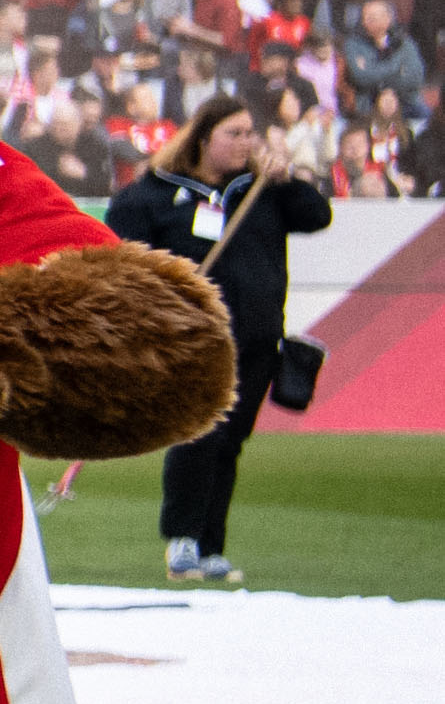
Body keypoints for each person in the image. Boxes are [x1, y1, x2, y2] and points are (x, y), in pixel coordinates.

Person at [103, 98, 330, 583]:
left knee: (229, 442)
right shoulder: (158, 193)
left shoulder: (263, 189)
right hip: (196, 337)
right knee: (199, 433)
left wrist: (287, 177)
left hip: (257, 336)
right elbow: (119, 244)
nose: (247, 143)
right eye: (235, 133)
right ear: (203, 139)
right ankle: (182, 538)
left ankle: (211, 546)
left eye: (251, 133)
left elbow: (317, 216)